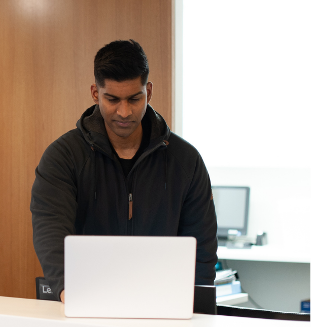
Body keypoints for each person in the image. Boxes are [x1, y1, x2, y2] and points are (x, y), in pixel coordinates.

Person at [30, 40, 217, 303]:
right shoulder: (63, 157)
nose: (124, 112)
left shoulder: (185, 160)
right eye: (112, 99)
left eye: (134, 98)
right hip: (82, 301)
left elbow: (202, 248)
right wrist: (69, 292)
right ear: (96, 93)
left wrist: (198, 310)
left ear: (148, 91)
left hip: (163, 307)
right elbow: (50, 231)